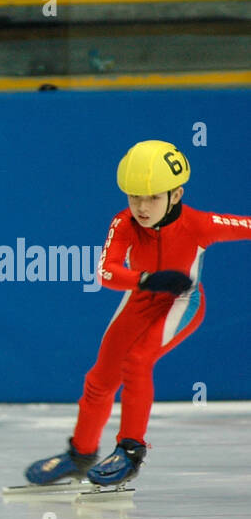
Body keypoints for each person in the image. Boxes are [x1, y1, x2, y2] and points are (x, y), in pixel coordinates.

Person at [25, 140, 251, 487]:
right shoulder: (124, 223)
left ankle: (130, 451)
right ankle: (80, 456)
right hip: (141, 298)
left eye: (152, 197)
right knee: (99, 381)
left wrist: (149, 282)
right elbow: (106, 271)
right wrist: (145, 280)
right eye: (134, 197)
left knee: (138, 361)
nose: (142, 207)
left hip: (181, 303)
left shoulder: (200, 224)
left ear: (176, 194)